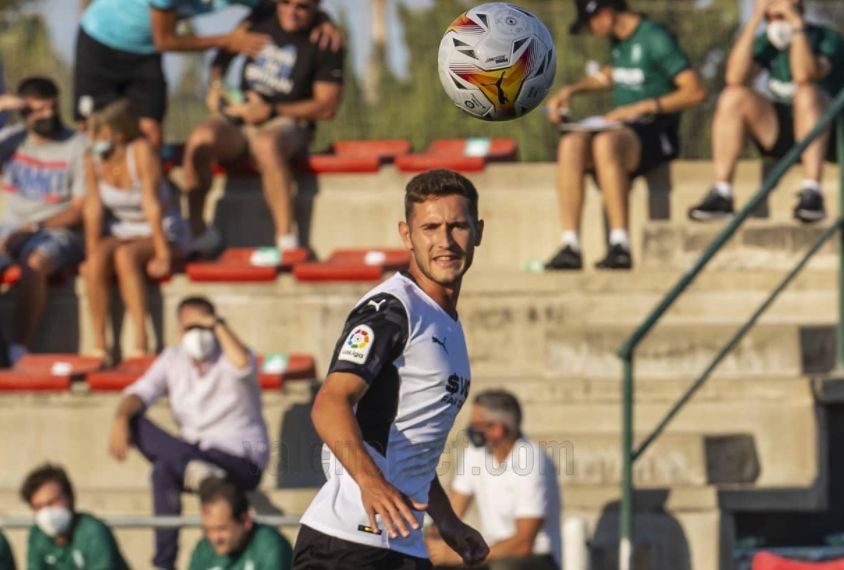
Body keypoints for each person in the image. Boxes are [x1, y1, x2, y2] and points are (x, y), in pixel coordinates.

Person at [294, 169, 490, 569]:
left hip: (402, 542)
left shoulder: (445, 320)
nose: (445, 241)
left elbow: (408, 445)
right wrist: (370, 482)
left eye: (458, 226)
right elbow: (329, 403)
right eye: (430, 227)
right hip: (349, 543)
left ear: (478, 231)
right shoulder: (392, 309)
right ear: (407, 235)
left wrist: (447, 519)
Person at [108, 295, 269, 570]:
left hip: (240, 460)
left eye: (201, 325)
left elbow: (244, 364)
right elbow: (139, 392)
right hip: (193, 457)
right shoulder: (173, 358)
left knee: (166, 466)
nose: (195, 334)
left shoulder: (231, 354)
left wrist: (217, 325)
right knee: (152, 452)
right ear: (179, 330)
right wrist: (121, 416)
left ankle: (199, 470)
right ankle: (164, 564)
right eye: (188, 327)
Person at [544, 0, 706, 271]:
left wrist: (643, 106)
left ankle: (620, 244)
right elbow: (611, 74)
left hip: (656, 132)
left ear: (605, 14)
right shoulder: (619, 42)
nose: (592, 30)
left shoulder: (655, 38)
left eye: (591, 22)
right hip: (625, 132)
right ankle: (570, 244)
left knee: (606, 143)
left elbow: (695, 92)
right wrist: (571, 90)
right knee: (570, 143)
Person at [181, 0, 344, 258]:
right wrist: (216, 88)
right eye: (285, 3)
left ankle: (286, 241)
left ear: (316, 8)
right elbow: (222, 56)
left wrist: (272, 111)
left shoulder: (325, 38)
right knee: (201, 139)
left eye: (302, 7)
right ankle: (198, 234)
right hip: (243, 116)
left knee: (266, 146)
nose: (291, 11)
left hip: (288, 122)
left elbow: (326, 107)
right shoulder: (259, 18)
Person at [75, 0, 343, 148]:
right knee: (94, 128)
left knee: (151, 132)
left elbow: (283, 4)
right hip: (101, 39)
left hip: (144, 52)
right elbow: (165, 41)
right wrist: (227, 41)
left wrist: (323, 19)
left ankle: (146, 218)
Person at [687, 0, 844, 223]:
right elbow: (733, 77)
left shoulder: (828, 39)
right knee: (733, 96)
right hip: (784, 134)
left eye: (780, 17)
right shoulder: (768, 41)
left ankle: (812, 192)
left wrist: (796, 27)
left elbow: (803, 75)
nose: (775, 23)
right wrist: (755, 20)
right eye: (770, 18)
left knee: (805, 93)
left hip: (826, 137)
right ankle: (722, 193)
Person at [83, 99, 189, 359]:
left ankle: (141, 339)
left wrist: (163, 253)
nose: (95, 139)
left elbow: (151, 203)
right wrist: (90, 250)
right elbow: (93, 207)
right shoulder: (93, 159)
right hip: (123, 228)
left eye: (101, 133)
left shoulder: (140, 150)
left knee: (125, 257)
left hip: (160, 227)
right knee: (96, 260)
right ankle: (100, 344)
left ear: (119, 133)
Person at [0, 77, 87, 364]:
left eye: (53, 107)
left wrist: (34, 229)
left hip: (59, 229)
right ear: (24, 112)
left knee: (35, 261)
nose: (48, 115)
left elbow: (78, 210)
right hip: (11, 228)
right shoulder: (11, 140)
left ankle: (19, 349)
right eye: (38, 110)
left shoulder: (77, 145)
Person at [426, 391, 562, 570]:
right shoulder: (475, 454)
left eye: (476, 424)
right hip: (492, 555)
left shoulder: (531, 460)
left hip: (535, 559)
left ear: (498, 428)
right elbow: (451, 512)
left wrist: (456, 556)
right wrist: (433, 540)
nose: (470, 429)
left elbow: (523, 543)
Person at [19, 464, 128, 569]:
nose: (46, 513)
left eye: (52, 502)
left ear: (70, 498)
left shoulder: (94, 532)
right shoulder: (37, 535)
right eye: (38, 507)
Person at [188, 478, 293, 569]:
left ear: (246, 521)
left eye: (222, 528)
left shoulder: (271, 548)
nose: (215, 538)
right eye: (208, 530)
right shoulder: (203, 550)